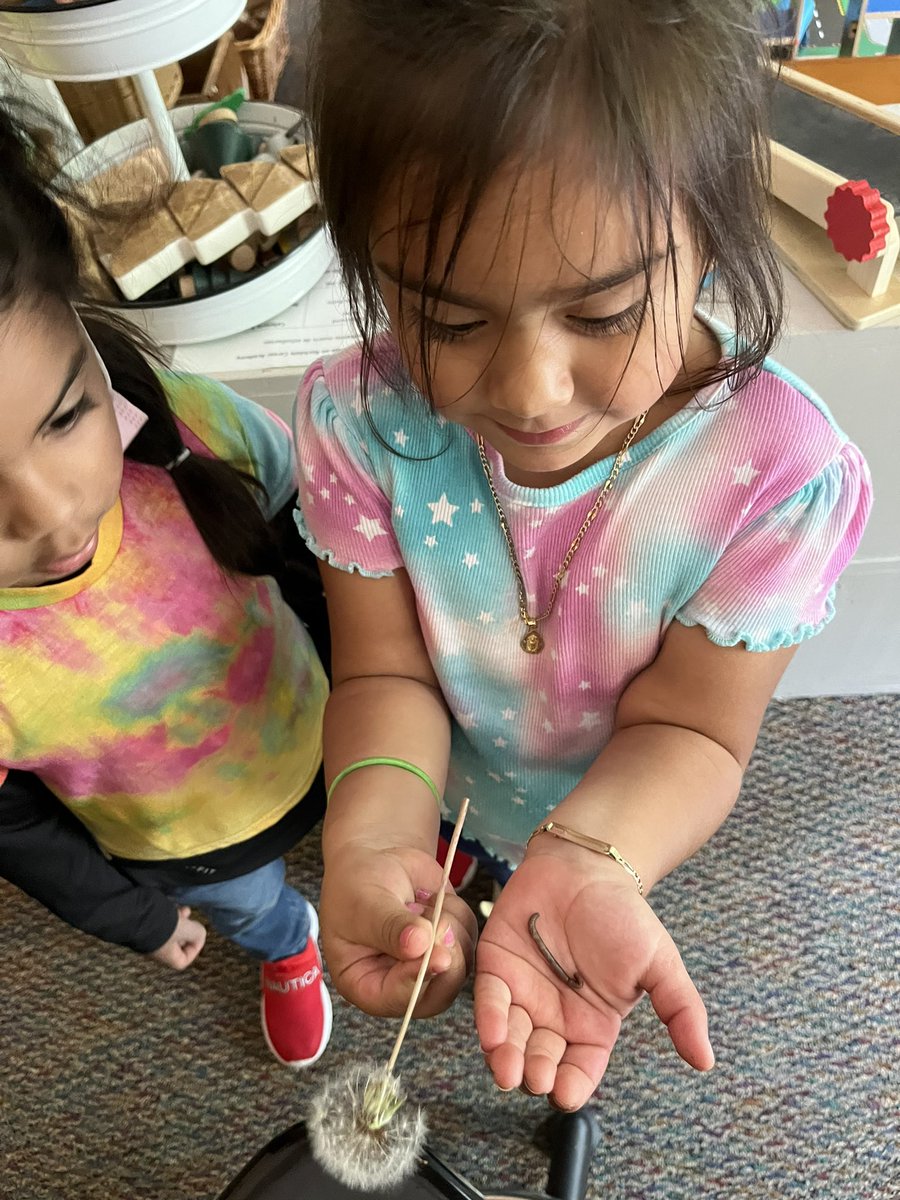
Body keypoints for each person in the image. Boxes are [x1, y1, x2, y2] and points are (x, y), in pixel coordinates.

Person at [294, 0, 874, 1112]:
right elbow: (383, 673)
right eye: (449, 323)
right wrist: (370, 838)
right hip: (445, 785)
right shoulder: (359, 418)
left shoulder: (775, 477)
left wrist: (596, 856)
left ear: (714, 222)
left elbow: (694, 728)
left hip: (624, 805)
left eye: (603, 312)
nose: (528, 392)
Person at [0, 104, 332, 1070]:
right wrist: (134, 919)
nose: (56, 515)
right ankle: (287, 941)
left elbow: (301, 515)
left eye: (65, 418)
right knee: (256, 905)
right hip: (188, 848)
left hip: (320, 715)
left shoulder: (179, 425)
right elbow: (15, 830)